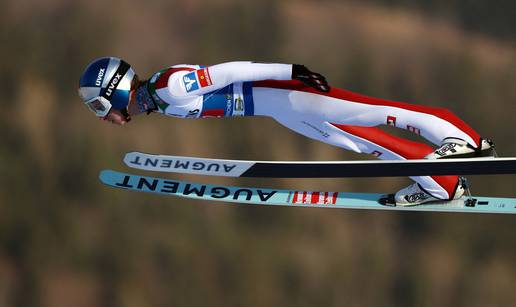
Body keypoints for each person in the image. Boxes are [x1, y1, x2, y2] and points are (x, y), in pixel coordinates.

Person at [78, 57, 495, 206]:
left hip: (288, 95)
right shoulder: (157, 99)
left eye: (98, 106)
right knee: (359, 141)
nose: (102, 117)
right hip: (280, 111)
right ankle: (442, 183)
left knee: (380, 114)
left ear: (113, 92)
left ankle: (467, 141)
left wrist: (291, 72)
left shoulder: (167, 88)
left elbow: (230, 71)